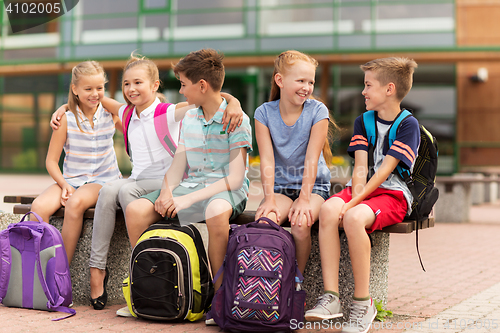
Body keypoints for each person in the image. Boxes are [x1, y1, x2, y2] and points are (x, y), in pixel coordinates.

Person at [50, 53, 244, 311]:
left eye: (138, 83)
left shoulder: (170, 112)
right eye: (127, 84)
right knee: (110, 189)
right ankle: (99, 270)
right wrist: (63, 107)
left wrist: (234, 102)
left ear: (154, 85)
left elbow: (211, 96)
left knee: (127, 191)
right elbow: (93, 98)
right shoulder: (126, 112)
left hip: (166, 182)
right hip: (141, 181)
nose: (131, 89)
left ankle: (148, 268)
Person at [123, 49, 252, 322]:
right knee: (135, 210)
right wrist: (168, 191)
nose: (181, 91)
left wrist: (186, 201)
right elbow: (178, 165)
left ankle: (218, 298)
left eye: (183, 84)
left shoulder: (237, 119)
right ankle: (146, 284)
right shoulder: (191, 117)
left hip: (225, 190)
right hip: (189, 186)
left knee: (216, 212)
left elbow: (235, 179)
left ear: (202, 85)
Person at [304, 57, 420, 333]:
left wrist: (355, 203)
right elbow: (360, 169)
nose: (363, 91)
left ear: (389, 89)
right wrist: (353, 197)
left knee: (354, 218)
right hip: (366, 189)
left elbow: (384, 173)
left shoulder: (408, 125)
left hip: (394, 195)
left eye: (368, 85)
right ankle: (331, 298)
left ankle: (362, 304)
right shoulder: (363, 121)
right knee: (329, 210)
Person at [31, 61, 122, 265]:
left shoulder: (110, 114)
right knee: (38, 207)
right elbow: (51, 162)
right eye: (88, 88)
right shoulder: (66, 119)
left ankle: (60, 272)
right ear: (75, 89)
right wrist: (64, 184)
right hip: (72, 180)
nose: (95, 93)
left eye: (100, 88)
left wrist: (98, 98)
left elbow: (133, 121)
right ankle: (40, 266)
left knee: (75, 202)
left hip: (103, 181)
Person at [254, 50, 334, 279]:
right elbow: (267, 160)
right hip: (280, 189)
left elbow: (311, 159)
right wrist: (269, 198)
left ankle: (295, 280)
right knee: (264, 222)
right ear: (280, 80)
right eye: (300, 81)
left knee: (300, 223)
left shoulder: (318, 111)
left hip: (313, 188)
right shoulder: (264, 113)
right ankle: (268, 279)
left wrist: (305, 198)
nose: (307, 87)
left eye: (311, 82)